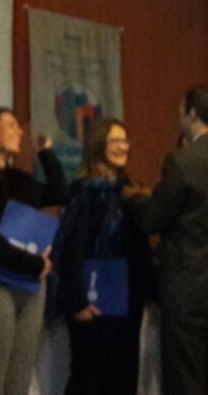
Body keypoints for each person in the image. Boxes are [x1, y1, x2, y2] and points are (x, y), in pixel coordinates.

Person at [124, 86, 208, 395]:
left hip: (186, 289)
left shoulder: (183, 162)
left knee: (184, 379)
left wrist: (134, 197)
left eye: (181, 111)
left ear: (193, 115)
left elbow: (152, 219)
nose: (178, 117)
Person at [0, 107, 69, 395]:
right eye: (11, 125)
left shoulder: (19, 179)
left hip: (29, 286)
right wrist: (34, 264)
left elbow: (60, 193)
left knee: (19, 381)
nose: (19, 131)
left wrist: (45, 152)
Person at [59, 118, 153, 395]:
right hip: (92, 301)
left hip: (128, 301)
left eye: (125, 141)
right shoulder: (84, 191)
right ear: (98, 145)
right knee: (90, 378)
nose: (123, 147)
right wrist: (77, 301)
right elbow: (71, 249)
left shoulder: (133, 190)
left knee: (124, 376)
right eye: (115, 141)